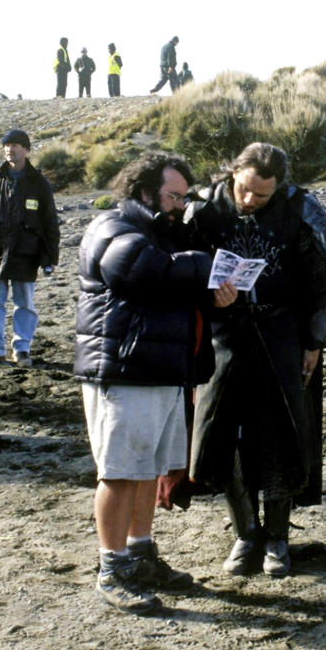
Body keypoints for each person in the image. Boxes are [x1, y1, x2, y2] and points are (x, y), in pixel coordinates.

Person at [75, 152, 236, 615]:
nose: (180, 206)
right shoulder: (113, 226)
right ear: (145, 191)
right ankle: (112, 567)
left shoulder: (165, 235)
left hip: (161, 369)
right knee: (121, 471)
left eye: (185, 198)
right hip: (124, 369)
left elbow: (175, 285)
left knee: (149, 470)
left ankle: (140, 553)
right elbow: (139, 270)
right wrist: (207, 264)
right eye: (173, 196)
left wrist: (218, 294)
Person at [185, 143, 326, 578]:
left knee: (280, 434)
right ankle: (245, 533)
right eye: (244, 189)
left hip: (281, 336)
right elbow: (180, 270)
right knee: (221, 435)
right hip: (222, 338)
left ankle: (277, 539)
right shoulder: (204, 211)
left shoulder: (299, 210)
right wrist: (207, 294)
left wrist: (313, 342)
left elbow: (321, 281)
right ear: (233, 172)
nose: (249, 200)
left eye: (262, 195)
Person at [0, 129, 59, 368]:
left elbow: (50, 221)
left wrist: (51, 257)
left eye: (16, 145)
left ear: (26, 150)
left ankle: (22, 350)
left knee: (25, 304)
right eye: (7, 145)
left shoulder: (39, 183)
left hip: (26, 253)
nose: (11, 149)